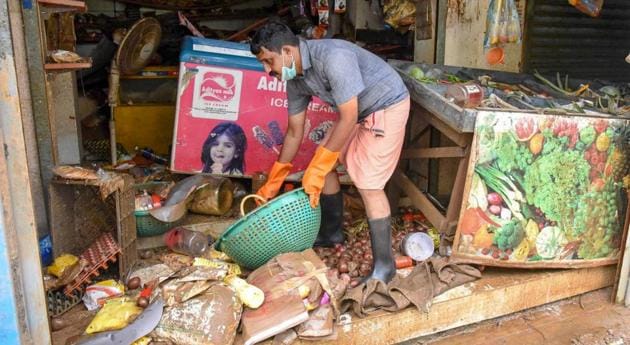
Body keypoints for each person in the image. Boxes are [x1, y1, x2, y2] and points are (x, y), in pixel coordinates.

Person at [250, 22, 410, 284]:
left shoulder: (334, 57)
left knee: (369, 185)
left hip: (386, 105)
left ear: (288, 52)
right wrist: (275, 180)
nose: (268, 71)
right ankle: (331, 233)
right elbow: (294, 131)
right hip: (356, 112)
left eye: (269, 61)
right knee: (322, 168)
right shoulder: (294, 79)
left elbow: (348, 118)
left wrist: (320, 165)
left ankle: (385, 266)